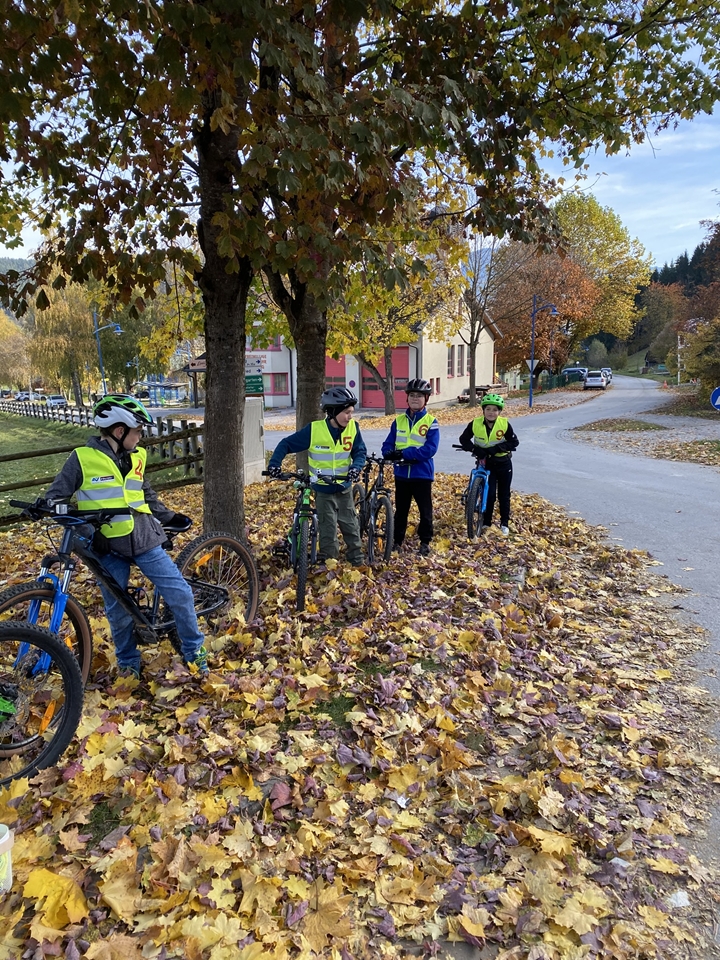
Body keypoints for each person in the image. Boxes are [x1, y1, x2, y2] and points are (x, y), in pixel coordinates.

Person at [42, 394, 208, 679]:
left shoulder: (137, 456)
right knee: (118, 611)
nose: (140, 437)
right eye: (138, 431)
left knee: (179, 593)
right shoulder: (82, 459)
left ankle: (194, 652)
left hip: (144, 539)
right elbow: (55, 499)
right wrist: (87, 532)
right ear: (120, 431)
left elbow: (145, 494)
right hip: (106, 546)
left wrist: (168, 516)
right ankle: (129, 663)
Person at [267, 387, 366, 565]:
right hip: (323, 489)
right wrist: (275, 464)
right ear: (333, 412)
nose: (350, 417)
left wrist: (356, 467)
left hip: (344, 488)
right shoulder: (314, 430)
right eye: (346, 412)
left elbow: (360, 452)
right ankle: (330, 564)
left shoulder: (353, 428)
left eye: (351, 412)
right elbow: (286, 444)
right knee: (328, 529)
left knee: (351, 526)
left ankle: (357, 562)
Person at [381, 378, 439, 557]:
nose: (415, 398)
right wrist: (388, 452)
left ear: (426, 399)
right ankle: (397, 541)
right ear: (407, 398)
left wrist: (405, 453)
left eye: (419, 396)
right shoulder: (398, 421)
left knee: (425, 511)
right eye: (412, 395)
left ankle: (425, 542)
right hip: (401, 474)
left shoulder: (431, 421)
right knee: (401, 511)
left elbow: (430, 449)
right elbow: (388, 443)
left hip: (421, 474)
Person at [458, 392, 518, 536]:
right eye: (488, 409)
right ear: (483, 410)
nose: (491, 412)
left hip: (503, 462)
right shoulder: (475, 423)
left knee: (504, 494)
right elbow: (463, 439)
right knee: (489, 494)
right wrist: (474, 449)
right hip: (486, 463)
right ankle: (486, 522)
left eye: (495, 410)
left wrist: (497, 448)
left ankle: (504, 523)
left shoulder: (504, 424)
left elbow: (514, 442)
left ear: (499, 411)